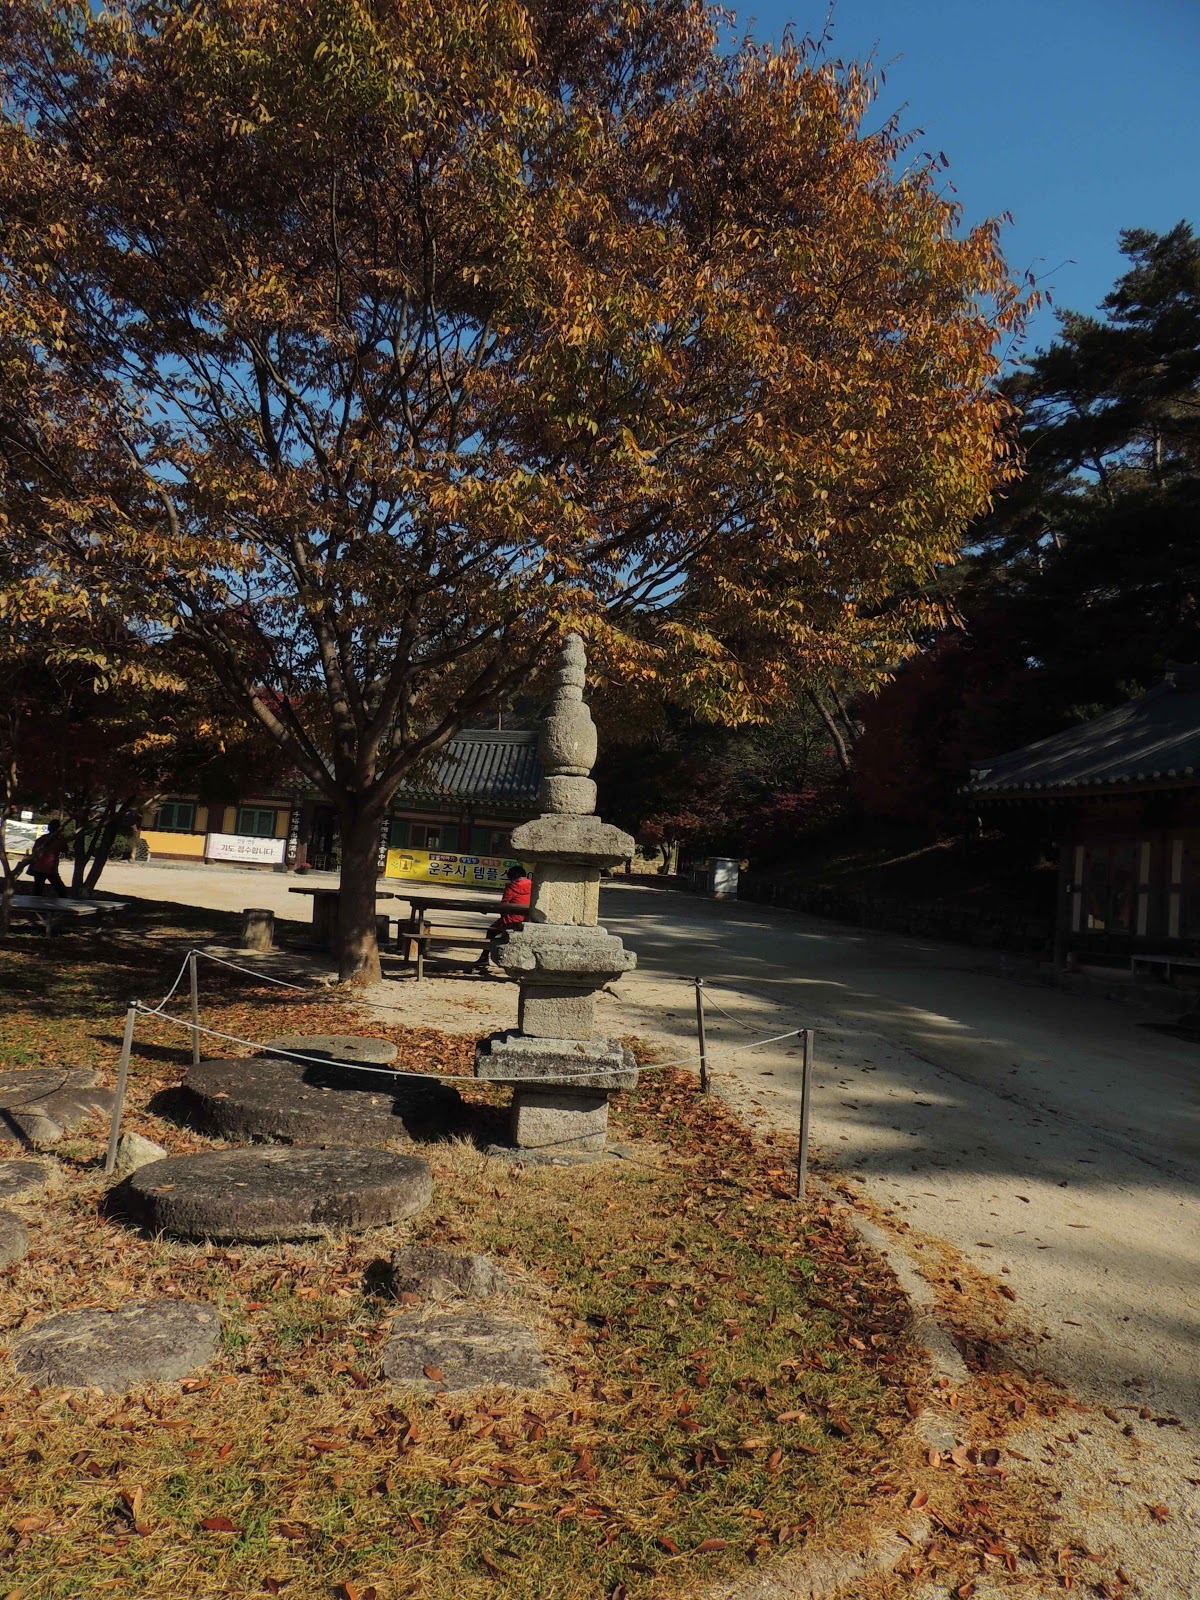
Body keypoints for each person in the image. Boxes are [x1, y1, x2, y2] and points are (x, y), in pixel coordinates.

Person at [475, 863, 531, 972]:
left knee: (491, 931)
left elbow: (504, 905)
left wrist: (486, 910)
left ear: (512, 877)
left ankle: (484, 957)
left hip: (511, 920)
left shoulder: (511, 886)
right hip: (527, 920)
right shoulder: (533, 886)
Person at [28, 818, 69, 897]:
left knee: (38, 890)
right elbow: (65, 850)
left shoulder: (43, 839)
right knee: (60, 890)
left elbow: (34, 851)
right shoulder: (59, 840)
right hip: (49, 868)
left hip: (41, 867)